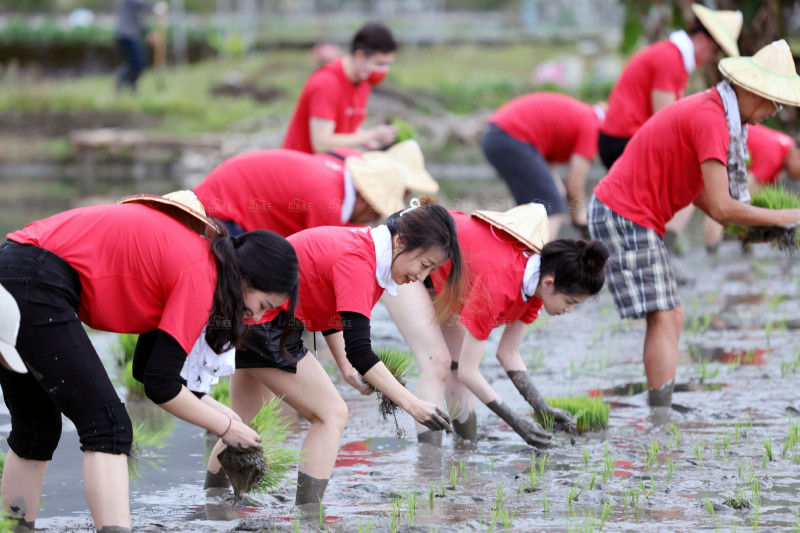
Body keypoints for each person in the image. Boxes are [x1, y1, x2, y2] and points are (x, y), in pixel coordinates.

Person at [0, 191, 299, 532]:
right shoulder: (202, 273)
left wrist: (215, 411)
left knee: (37, 428)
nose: (251, 316)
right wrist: (226, 428)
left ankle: (14, 528)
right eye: (261, 305)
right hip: (35, 278)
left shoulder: (192, 260)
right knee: (108, 427)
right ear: (249, 278)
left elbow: (149, 370)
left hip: (12, 267)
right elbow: (160, 385)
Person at [204, 199, 462, 506]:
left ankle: (213, 500)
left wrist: (344, 367)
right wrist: (413, 404)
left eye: (431, 270)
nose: (421, 277)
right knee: (331, 414)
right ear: (400, 241)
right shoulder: (361, 260)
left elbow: (331, 314)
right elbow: (361, 352)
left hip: (250, 318)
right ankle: (309, 515)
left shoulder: (366, 250)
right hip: (264, 322)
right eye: (424, 265)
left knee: (243, 425)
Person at [588, 40, 800, 408]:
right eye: (775, 103)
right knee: (666, 314)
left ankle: (660, 403)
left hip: (630, 213)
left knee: (669, 314)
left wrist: (760, 229)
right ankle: (660, 410)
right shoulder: (712, 119)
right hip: (623, 212)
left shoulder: (720, 114)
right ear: (753, 92)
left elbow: (705, 198)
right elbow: (720, 205)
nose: (773, 113)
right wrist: (784, 217)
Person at [385, 203, 608, 446]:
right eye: (570, 301)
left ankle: (466, 449)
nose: (569, 310)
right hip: (406, 260)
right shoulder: (500, 283)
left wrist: (542, 407)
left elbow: (508, 354)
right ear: (549, 283)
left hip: (443, 277)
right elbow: (470, 373)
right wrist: (515, 422)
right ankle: (429, 465)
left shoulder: (535, 286)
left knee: (456, 361)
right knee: (437, 363)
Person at [194, 140, 438, 238]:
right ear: (365, 199)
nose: (372, 222)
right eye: (375, 214)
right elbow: (318, 267)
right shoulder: (326, 205)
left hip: (239, 188)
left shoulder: (350, 163)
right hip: (222, 208)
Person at [598, 3, 742, 169]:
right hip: (621, 140)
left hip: (623, 138)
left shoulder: (675, 57)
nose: (713, 58)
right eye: (715, 50)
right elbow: (664, 118)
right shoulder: (671, 59)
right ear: (702, 39)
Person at [481, 92, 605, 239]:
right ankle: (539, 260)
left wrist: (559, 193)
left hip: (497, 136)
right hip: (511, 137)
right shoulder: (593, 126)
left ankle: (520, 256)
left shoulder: (583, 118)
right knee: (550, 208)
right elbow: (575, 186)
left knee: (534, 209)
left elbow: (546, 169)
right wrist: (580, 217)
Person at [282, 22, 399, 154]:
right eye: (380, 64)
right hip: (301, 165)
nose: (383, 70)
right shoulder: (326, 84)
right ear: (360, 56)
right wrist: (370, 135)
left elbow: (350, 126)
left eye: (387, 65)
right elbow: (321, 143)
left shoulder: (363, 81)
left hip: (329, 163)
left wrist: (372, 142)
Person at [114, 0, 152, 93]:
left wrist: (147, 32)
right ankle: (119, 82)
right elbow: (141, 3)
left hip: (132, 35)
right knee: (137, 63)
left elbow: (138, 20)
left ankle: (131, 86)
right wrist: (155, 7)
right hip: (126, 34)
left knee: (137, 63)